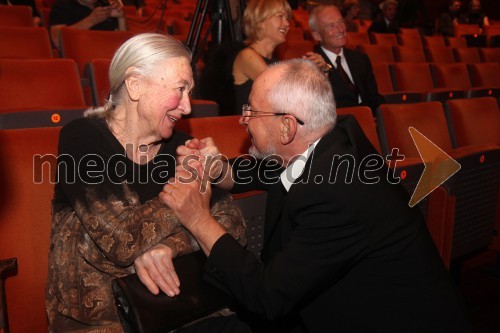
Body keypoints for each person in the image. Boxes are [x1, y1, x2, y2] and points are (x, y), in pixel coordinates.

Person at [163, 58, 472, 332]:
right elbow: (267, 171)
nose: (243, 119)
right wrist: (218, 170)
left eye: (251, 111)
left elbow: (267, 297)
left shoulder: (336, 193)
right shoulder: (334, 144)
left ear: (286, 128)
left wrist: (198, 218)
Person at [45, 33, 247, 332]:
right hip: (105, 320)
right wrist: (191, 205)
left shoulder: (183, 147)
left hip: (188, 310)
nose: (188, 107)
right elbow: (122, 239)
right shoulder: (83, 139)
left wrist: (168, 247)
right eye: (180, 89)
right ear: (135, 85)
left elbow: (233, 227)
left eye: (190, 91)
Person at [232, 0, 328, 115]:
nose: (287, 23)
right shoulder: (247, 56)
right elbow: (284, 94)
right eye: (280, 16)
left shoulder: (277, 61)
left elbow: (311, 98)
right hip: (249, 130)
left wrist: (322, 71)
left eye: (287, 18)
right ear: (260, 20)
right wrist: (309, 71)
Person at [309, 5, 384, 116]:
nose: (341, 29)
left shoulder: (361, 59)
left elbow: (373, 98)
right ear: (317, 36)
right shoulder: (310, 66)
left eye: (341, 22)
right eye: (331, 26)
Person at [49, 0, 127, 48]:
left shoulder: (106, 6)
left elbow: (125, 44)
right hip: (82, 61)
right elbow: (57, 41)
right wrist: (90, 21)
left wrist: (121, 18)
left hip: (109, 55)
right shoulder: (62, 6)